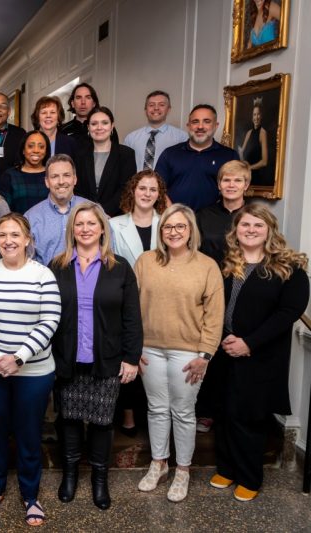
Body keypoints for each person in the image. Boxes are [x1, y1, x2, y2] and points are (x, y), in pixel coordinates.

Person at [0, 213, 61, 527]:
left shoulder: (43, 275)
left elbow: (50, 321)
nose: (8, 240)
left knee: (29, 434)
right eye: (3, 235)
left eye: (15, 235)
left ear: (27, 239)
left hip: (33, 372)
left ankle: (31, 495)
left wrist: (18, 357)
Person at [211, 204, 309, 501]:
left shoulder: (289, 268)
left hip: (260, 354)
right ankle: (226, 468)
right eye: (245, 225)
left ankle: (250, 476)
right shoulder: (226, 262)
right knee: (224, 411)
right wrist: (225, 339)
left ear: (269, 230)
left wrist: (249, 342)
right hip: (224, 349)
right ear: (235, 230)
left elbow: (287, 313)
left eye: (258, 225)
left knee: (249, 416)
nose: (250, 230)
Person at [49, 202, 143, 510]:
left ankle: (100, 480)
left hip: (108, 359)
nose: (85, 229)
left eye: (91, 223)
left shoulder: (120, 268)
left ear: (102, 228)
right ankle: (71, 475)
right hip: (67, 358)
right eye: (79, 224)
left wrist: (131, 358)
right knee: (69, 420)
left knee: (103, 422)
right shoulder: (57, 266)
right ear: (71, 230)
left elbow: (132, 317)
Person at [134, 204, 224, 502]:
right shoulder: (146, 262)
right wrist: (133, 348)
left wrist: (206, 355)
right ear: (161, 232)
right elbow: (131, 309)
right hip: (149, 350)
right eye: (168, 227)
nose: (174, 232)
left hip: (189, 353)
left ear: (190, 231)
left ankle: (182, 470)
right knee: (157, 408)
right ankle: (158, 464)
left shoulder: (207, 266)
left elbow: (214, 315)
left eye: (180, 227)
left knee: (183, 412)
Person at [110, 170, 168, 436]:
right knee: (130, 353)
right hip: (125, 298)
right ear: (132, 191)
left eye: (152, 189)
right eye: (142, 188)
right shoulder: (114, 224)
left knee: (154, 358)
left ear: (159, 195)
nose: (146, 194)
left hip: (160, 299)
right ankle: (129, 413)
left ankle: (154, 414)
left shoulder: (167, 223)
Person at [155, 104, 238, 211]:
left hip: (213, 221)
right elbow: (157, 187)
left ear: (216, 125)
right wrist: (173, 213)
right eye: (195, 122)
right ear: (188, 125)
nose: (200, 126)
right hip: (175, 220)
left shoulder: (229, 155)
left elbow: (235, 189)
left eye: (206, 121)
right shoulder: (170, 153)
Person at [25, 154, 89, 266]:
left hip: (88, 281)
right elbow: (27, 262)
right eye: (54, 176)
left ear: (75, 179)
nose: (61, 181)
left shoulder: (93, 211)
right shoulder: (31, 217)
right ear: (47, 182)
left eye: (66, 175)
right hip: (46, 281)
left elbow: (107, 252)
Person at [74, 106, 137, 217]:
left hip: (115, 216)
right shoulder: (79, 155)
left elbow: (126, 189)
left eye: (104, 123)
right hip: (85, 216)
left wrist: (103, 212)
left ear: (112, 126)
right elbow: (77, 188)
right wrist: (90, 212)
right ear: (88, 127)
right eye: (94, 124)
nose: (99, 127)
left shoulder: (126, 154)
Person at [197, 160, 251, 265]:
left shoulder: (256, 217)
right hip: (209, 275)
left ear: (246, 185)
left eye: (238, 180)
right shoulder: (202, 215)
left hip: (242, 276)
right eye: (226, 180)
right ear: (219, 185)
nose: (231, 185)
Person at [123, 90, 188, 171]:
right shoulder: (131, 138)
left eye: (161, 105)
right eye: (151, 105)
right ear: (145, 109)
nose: (156, 108)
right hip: (137, 183)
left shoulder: (181, 138)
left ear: (168, 109)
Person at [0, 130, 52, 214]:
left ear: (46, 151)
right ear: (23, 150)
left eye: (41, 147)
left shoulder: (52, 175)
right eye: (31, 146)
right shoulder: (10, 176)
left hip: (49, 226)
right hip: (18, 226)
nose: (36, 150)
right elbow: (2, 210)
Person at [30, 95, 78, 160]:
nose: (48, 116)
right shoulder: (28, 142)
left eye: (52, 112)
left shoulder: (70, 143)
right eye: (44, 112)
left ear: (59, 118)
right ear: (37, 118)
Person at [238, 99, 269, 186]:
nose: (256, 117)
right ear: (252, 117)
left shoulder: (263, 133)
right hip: (245, 177)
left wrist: (249, 168)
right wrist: (243, 161)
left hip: (256, 177)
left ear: (261, 116)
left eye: (258, 114)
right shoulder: (249, 133)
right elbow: (242, 153)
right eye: (254, 114)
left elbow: (264, 161)